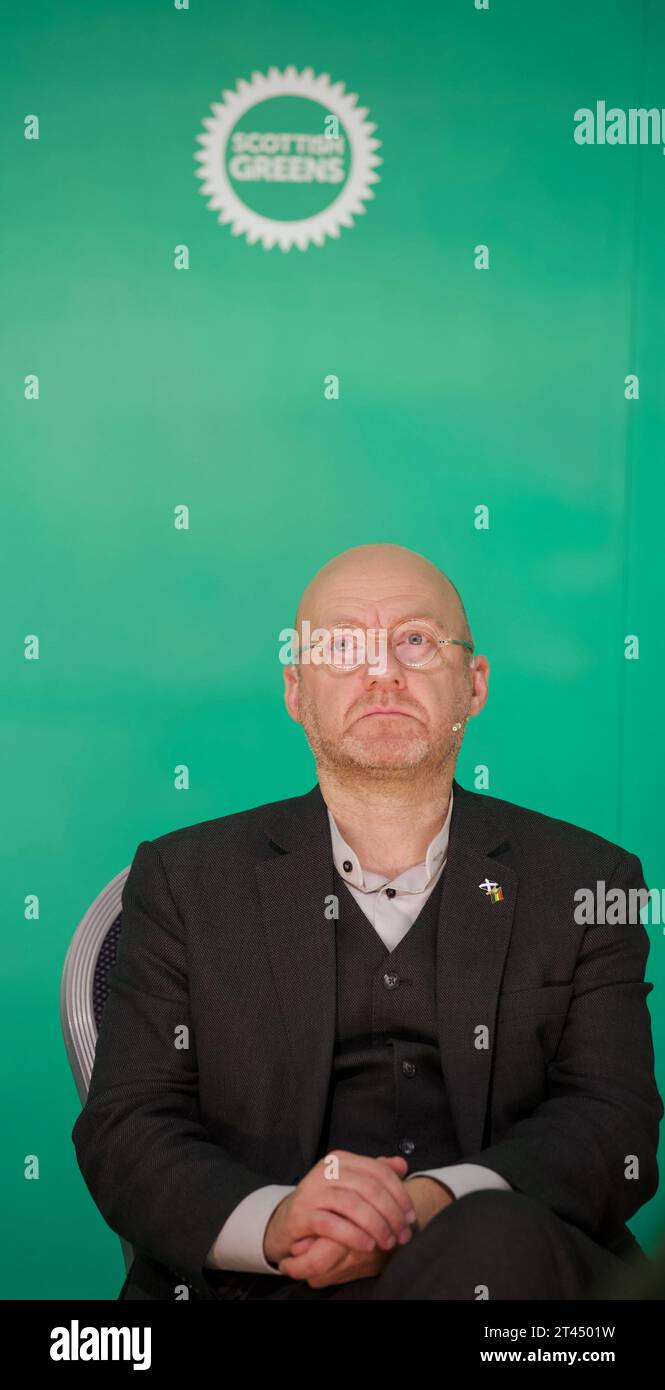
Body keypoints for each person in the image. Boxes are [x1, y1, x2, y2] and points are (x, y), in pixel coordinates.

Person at [72, 543, 663, 1300]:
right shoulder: (182, 881)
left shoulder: (589, 880)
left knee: (494, 1240)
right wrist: (281, 1222)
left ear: (472, 684)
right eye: (342, 646)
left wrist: (431, 1205)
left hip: (514, 1288)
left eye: (415, 641)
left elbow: (612, 1128)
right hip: (268, 1287)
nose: (382, 672)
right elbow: (127, 1127)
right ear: (295, 689)